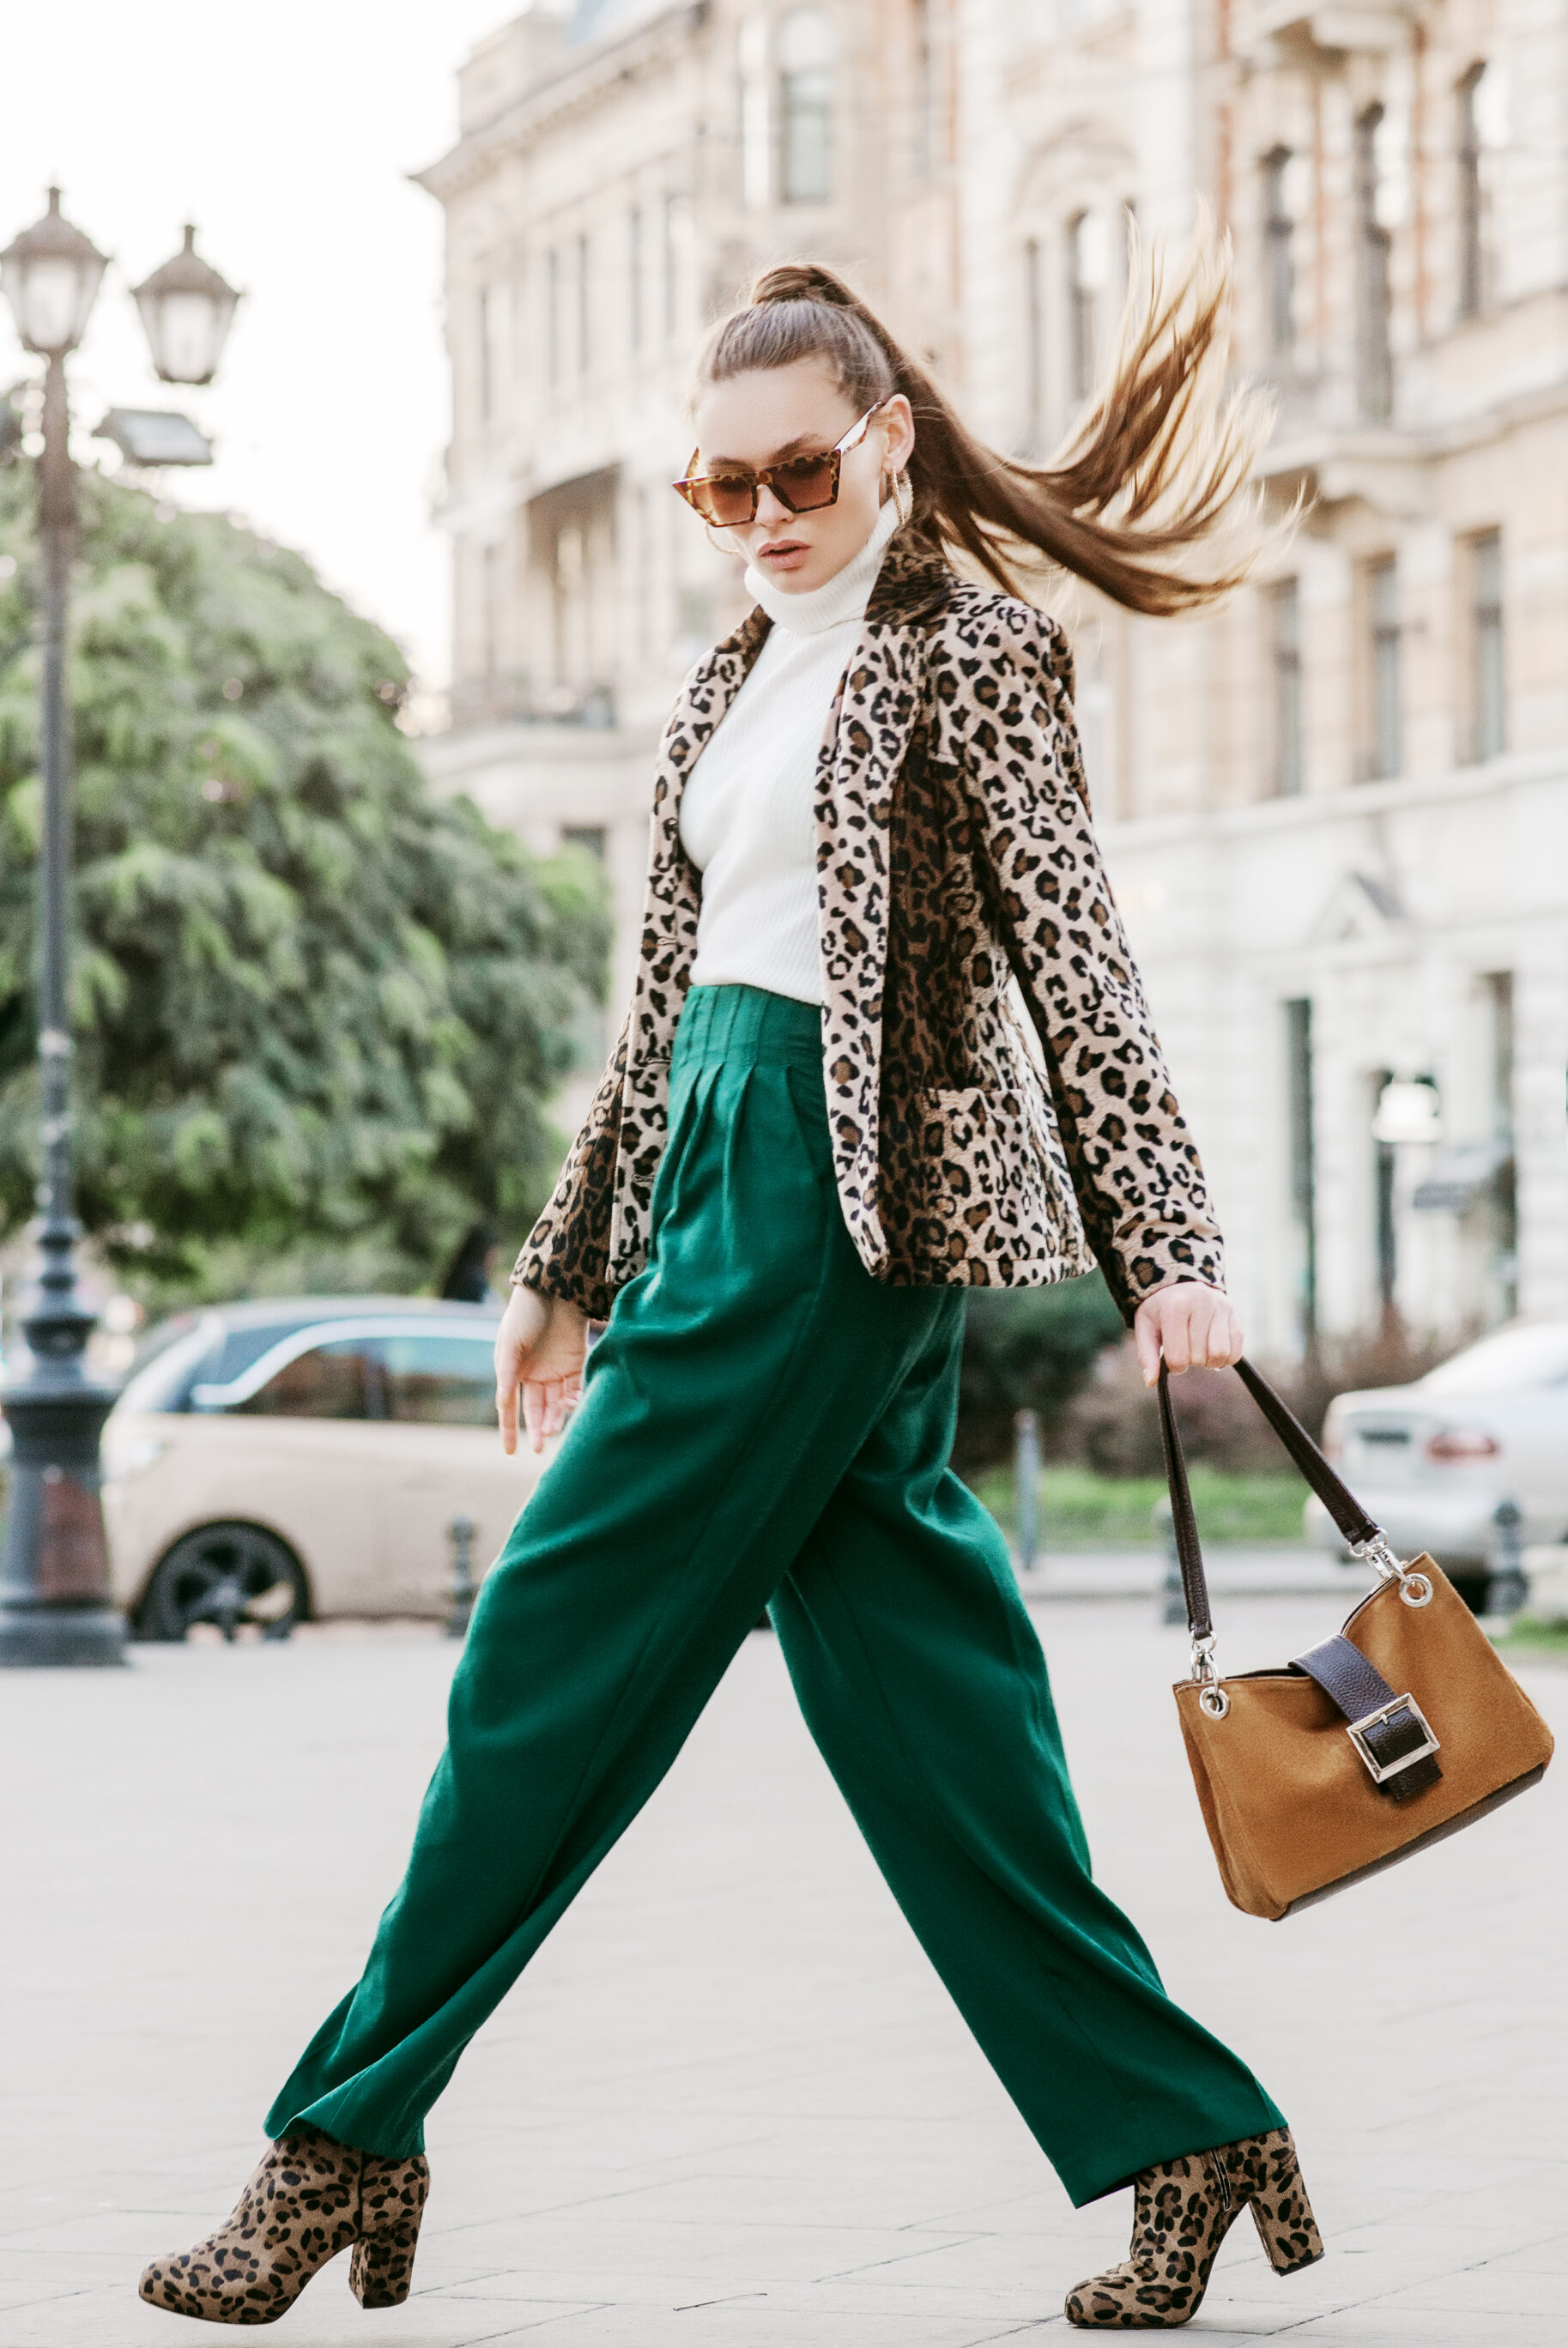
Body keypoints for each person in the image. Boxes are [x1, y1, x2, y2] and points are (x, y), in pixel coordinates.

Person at [141, 246, 1323, 2333]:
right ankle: (1189, 2132)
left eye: (793, 473)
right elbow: (661, 1006)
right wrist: (560, 1264)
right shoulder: (728, 672)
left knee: (548, 1647)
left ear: (880, 445)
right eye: (717, 488)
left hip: (827, 1211)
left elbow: (1078, 952)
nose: (761, 517)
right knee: (928, 1710)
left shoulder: (965, 649)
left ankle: (337, 2147)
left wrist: (1174, 1250)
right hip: (710, 1158)